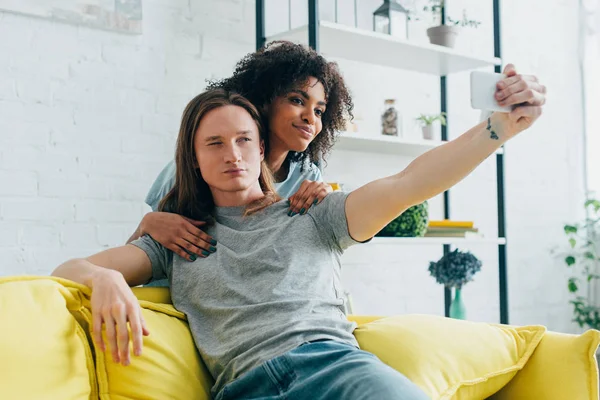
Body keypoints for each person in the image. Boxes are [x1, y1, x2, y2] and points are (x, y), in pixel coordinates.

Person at [52, 63, 546, 399]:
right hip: (243, 388)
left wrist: (497, 129)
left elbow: (409, 183)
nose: (232, 154)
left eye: (244, 140)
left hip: (336, 371)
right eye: (214, 144)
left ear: (260, 143)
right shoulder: (178, 238)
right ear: (194, 160)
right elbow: (69, 269)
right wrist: (107, 279)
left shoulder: (313, 210)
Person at [128, 41, 352, 267]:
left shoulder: (307, 177)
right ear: (264, 100)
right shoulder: (200, 166)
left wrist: (326, 202)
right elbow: (140, 253)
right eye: (296, 100)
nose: (310, 118)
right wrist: (146, 225)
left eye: (319, 111)